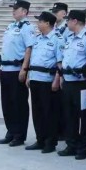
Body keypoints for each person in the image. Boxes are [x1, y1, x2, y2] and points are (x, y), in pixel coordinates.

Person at [57, 10, 86, 160]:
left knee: (85, 117)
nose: (66, 23)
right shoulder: (70, 38)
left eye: (68, 20)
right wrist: (62, 77)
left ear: (75, 21)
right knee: (69, 115)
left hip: (81, 82)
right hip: (68, 80)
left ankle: (84, 148)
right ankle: (71, 144)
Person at [0, 0, 35, 146]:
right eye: (13, 8)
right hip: (5, 69)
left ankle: (19, 135)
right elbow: (5, 48)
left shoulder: (27, 27)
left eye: (16, 9)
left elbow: (29, 49)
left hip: (16, 70)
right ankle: (10, 131)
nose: (13, 11)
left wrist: (24, 69)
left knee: (18, 103)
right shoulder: (10, 26)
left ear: (24, 11)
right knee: (6, 103)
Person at [24, 10, 63, 153]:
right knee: (37, 111)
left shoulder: (57, 39)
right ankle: (40, 139)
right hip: (35, 78)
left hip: (48, 80)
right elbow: (33, 59)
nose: (37, 24)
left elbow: (60, 63)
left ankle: (50, 142)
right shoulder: (38, 39)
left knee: (49, 112)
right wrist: (29, 75)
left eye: (40, 21)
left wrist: (57, 80)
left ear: (47, 23)